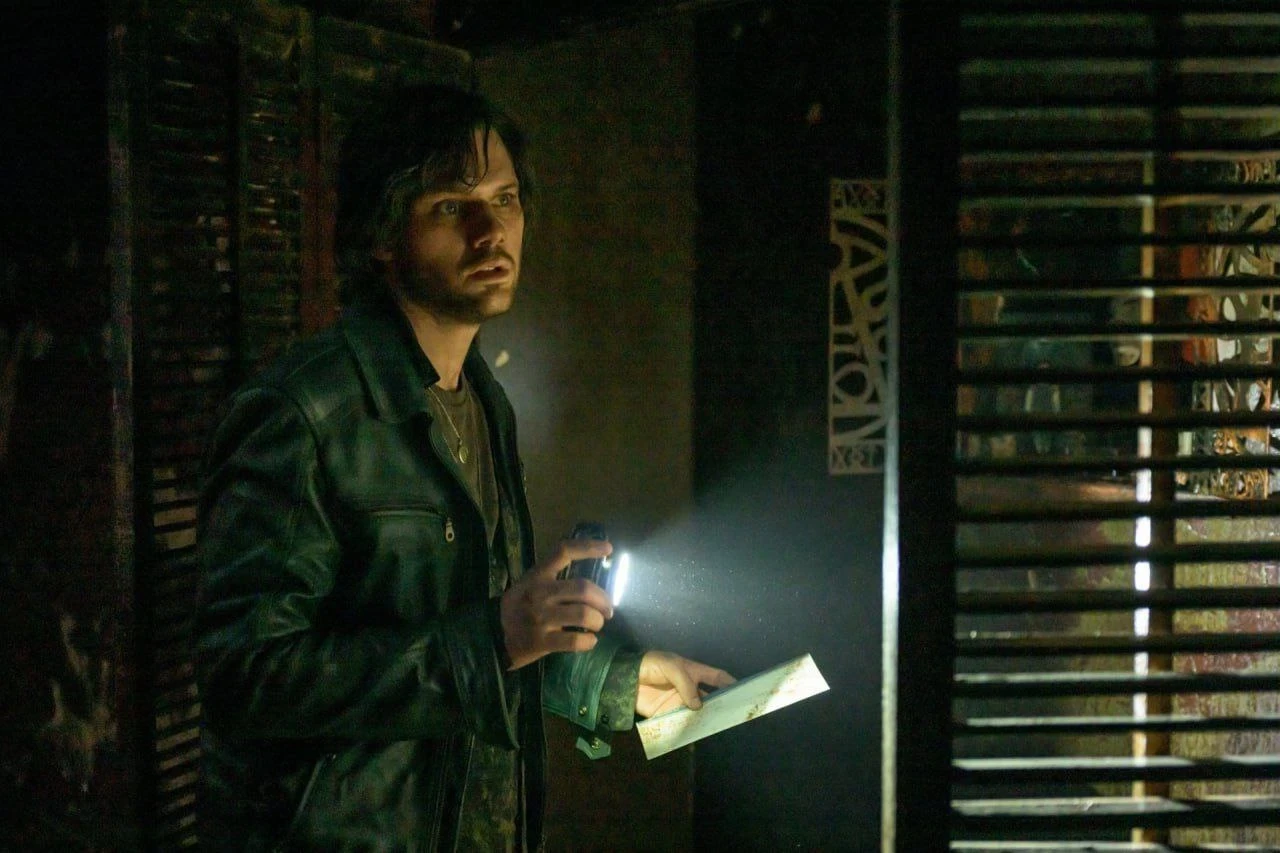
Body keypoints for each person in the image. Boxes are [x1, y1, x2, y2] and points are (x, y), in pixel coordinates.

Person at [194, 83, 732, 852]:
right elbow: (244, 677)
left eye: (505, 199)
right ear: (383, 234)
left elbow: (478, 632)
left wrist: (611, 680)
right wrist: (493, 640)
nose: (491, 232)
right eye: (452, 205)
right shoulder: (304, 413)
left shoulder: (482, 400)